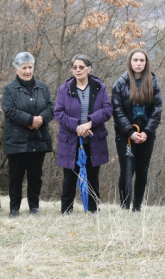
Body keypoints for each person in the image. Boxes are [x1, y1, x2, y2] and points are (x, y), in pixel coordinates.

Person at [54, 54, 113, 214]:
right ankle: (66, 210)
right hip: (70, 141)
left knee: (93, 176)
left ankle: (93, 209)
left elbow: (108, 110)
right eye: (75, 67)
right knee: (69, 177)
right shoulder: (64, 89)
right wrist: (77, 126)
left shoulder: (99, 88)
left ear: (89, 68)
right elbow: (58, 113)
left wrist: (89, 123)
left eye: (81, 67)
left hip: (94, 140)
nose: (78, 70)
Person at [2, 52, 54, 217]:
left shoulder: (42, 87)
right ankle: (14, 208)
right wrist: (30, 120)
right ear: (16, 69)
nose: (27, 71)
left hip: (38, 139)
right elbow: (10, 111)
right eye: (24, 67)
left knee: (35, 176)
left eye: (30, 67)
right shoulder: (9, 89)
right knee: (16, 177)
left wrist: (40, 119)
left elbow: (51, 108)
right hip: (16, 140)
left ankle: (34, 206)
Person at [112, 49, 162, 212]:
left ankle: (137, 206)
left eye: (142, 60)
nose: (139, 63)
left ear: (146, 63)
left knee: (142, 170)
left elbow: (157, 109)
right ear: (130, 62)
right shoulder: (120, 83)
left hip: (146, 133)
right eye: (135, 60)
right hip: (125, 134)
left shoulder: (152, 82)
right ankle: (125, 205)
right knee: (127, 169)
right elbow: (117, 110)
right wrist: (130, 132)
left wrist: (146, 132)